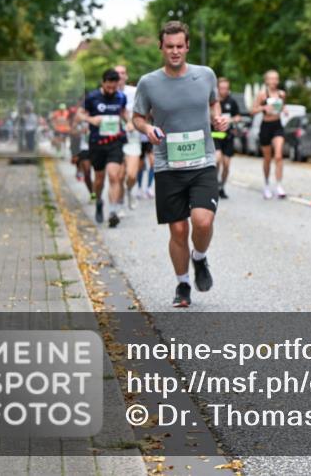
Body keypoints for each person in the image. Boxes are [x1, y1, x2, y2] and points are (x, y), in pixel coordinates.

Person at [132, 20, 229, 309]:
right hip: (167, 165)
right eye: (169, 46)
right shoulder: (149, 83)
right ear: (161, 47)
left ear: (187, 47)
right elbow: (137, 117)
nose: (175, 51)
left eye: (180, 46)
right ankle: (183, 283)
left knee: (203, 220)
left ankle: (199, 257)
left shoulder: (205, 75)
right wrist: (147, 129)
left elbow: (214, 103)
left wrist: (218, 118)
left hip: (202, 162)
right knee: (177, 231)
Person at [77, 70, 129, 227]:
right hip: (97, 143)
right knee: (99, 179)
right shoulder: (92, 97)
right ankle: (99, 200)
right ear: (103, 83)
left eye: (115, 87)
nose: (112, 90)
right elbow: (79, 115)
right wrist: (91, 119)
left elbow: (124, 113)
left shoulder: (121, 97)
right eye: (109, 87)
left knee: (114, 176)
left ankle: (113, 212)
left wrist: (131, 122)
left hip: (115, 142)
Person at [251, 69, 288, 199]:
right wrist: (263, 108)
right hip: (265, 127)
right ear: (266, 81)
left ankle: (279, 185)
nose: (273, 81)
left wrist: (285, 109)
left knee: (278, 156)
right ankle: (267, 184)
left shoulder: (281, 94)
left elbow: (283, 106)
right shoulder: (262, 95)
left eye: (276, 79)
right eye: (271, 79)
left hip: (277, 126)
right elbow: (252, 110)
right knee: (267, 158)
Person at [115, 65, 143, 210]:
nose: (120, 75)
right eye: (117, 73)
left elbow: (145, 111)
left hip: (132, 138)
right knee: (118, 176)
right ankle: (118, 204)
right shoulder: (108, 94)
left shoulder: (135, 92)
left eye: (122, 73)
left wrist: (134, 122)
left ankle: (129, 190)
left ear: (126, 76)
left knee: (132, 175)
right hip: (114, 140)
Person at [213, 77, 242, 199]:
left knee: (226, 164)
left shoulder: (232, 101)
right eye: (221, 88)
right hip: (215, 135)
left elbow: (238, 117)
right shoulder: (213, 101)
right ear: (217, 88)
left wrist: (230, 120)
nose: (223, 91)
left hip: (228, 136)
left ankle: (221, 187)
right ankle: (213, 186)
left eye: (226, 88)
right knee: (217, 159)